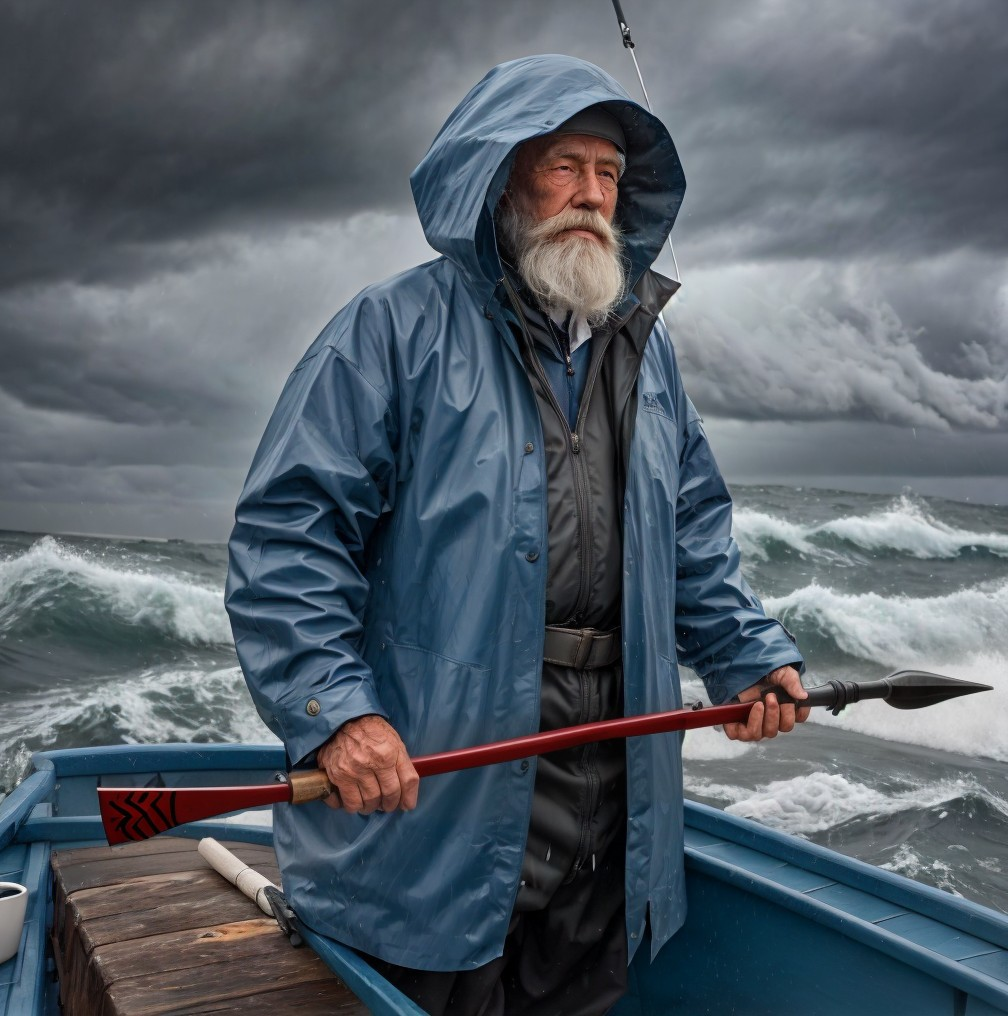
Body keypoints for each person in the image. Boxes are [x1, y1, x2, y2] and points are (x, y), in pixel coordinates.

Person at [226, 53, 808, 1016]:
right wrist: (337, 712)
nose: (591, 195)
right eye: (565, 166)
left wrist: (745, 655)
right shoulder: (390, 330)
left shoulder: (647, 355)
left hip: (613, 774)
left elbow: (692, 534)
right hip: (446, 772)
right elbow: (293, 535)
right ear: (502, 177)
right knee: (437, 982)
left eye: (610, 174)